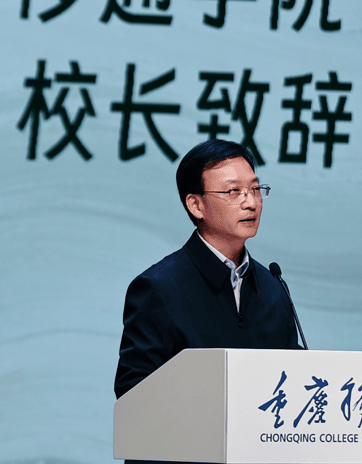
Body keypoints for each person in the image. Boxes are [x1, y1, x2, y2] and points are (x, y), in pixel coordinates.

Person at [114, 139, 301, 397]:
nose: (251, 202)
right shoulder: (158, 289)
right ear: (196, 205)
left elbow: (293, 381)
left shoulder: (273, 288)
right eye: (233, 191)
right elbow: (134, 392)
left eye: (256, 189)